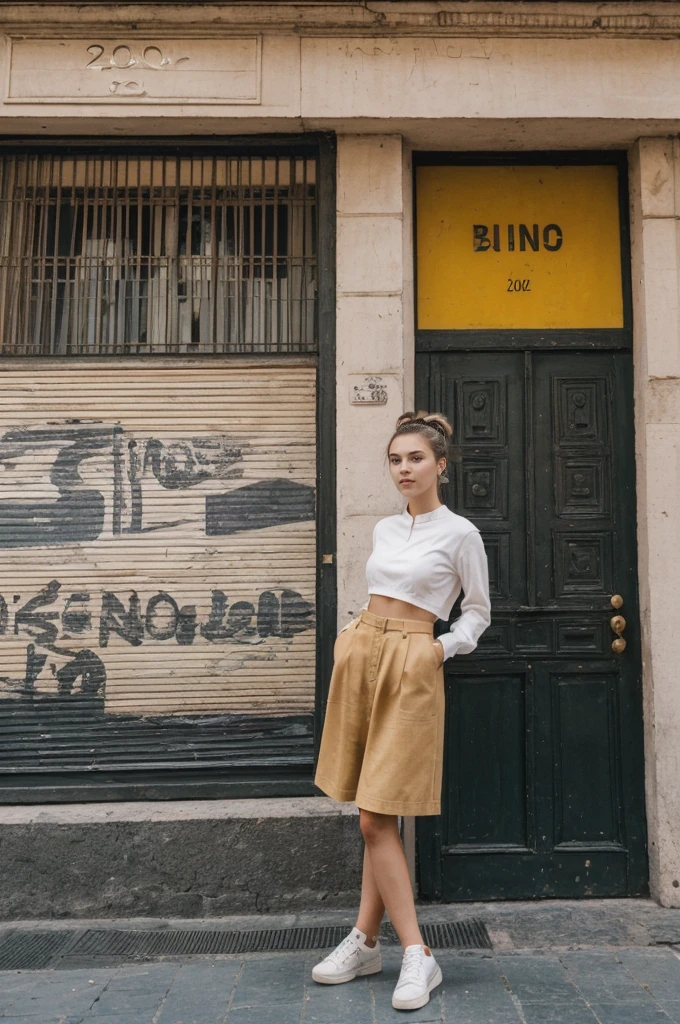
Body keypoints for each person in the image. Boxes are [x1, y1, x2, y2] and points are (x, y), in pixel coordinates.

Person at [311, 409, 491, 1012]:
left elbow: (478, 613)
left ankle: (418, 953)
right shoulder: (387, 530)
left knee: (373, 814)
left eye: (415, 458)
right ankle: (365, 940)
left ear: (441, 464)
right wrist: (348, 635)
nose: (404, 469)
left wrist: (439, 649)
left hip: (413, 662)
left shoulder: (462, 533)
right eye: (395, 459)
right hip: (363, 652)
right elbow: (376, 591)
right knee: (373, 807)